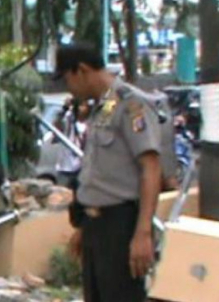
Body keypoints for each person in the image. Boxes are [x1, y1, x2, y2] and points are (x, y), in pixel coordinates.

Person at [54, 43, 162, 302]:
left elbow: (151, 167)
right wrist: (85, 228)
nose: (67, 88)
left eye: (67, 79)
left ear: (81, 70)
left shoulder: (131, 104)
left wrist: (143, 233)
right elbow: (100, 171)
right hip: (96, 227)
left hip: (120, 226)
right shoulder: (105, 106)